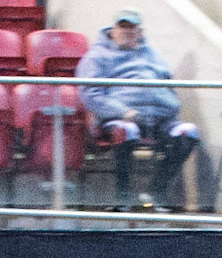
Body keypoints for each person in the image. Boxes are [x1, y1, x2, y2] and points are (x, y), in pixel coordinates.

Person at [76, 9, 200, 212]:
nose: (128, 31)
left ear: (140, 31)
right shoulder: (97, 56)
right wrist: (123, 111)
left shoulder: (153, 55)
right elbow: (91, 95)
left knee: (188, 132)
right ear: (113, 30)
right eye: (123, 27)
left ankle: (155, 192)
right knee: (127, 131)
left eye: (132, 27)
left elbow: (167, 85)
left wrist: (170, 107)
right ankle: (122, 197)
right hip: (120, 118)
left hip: (160, 118)